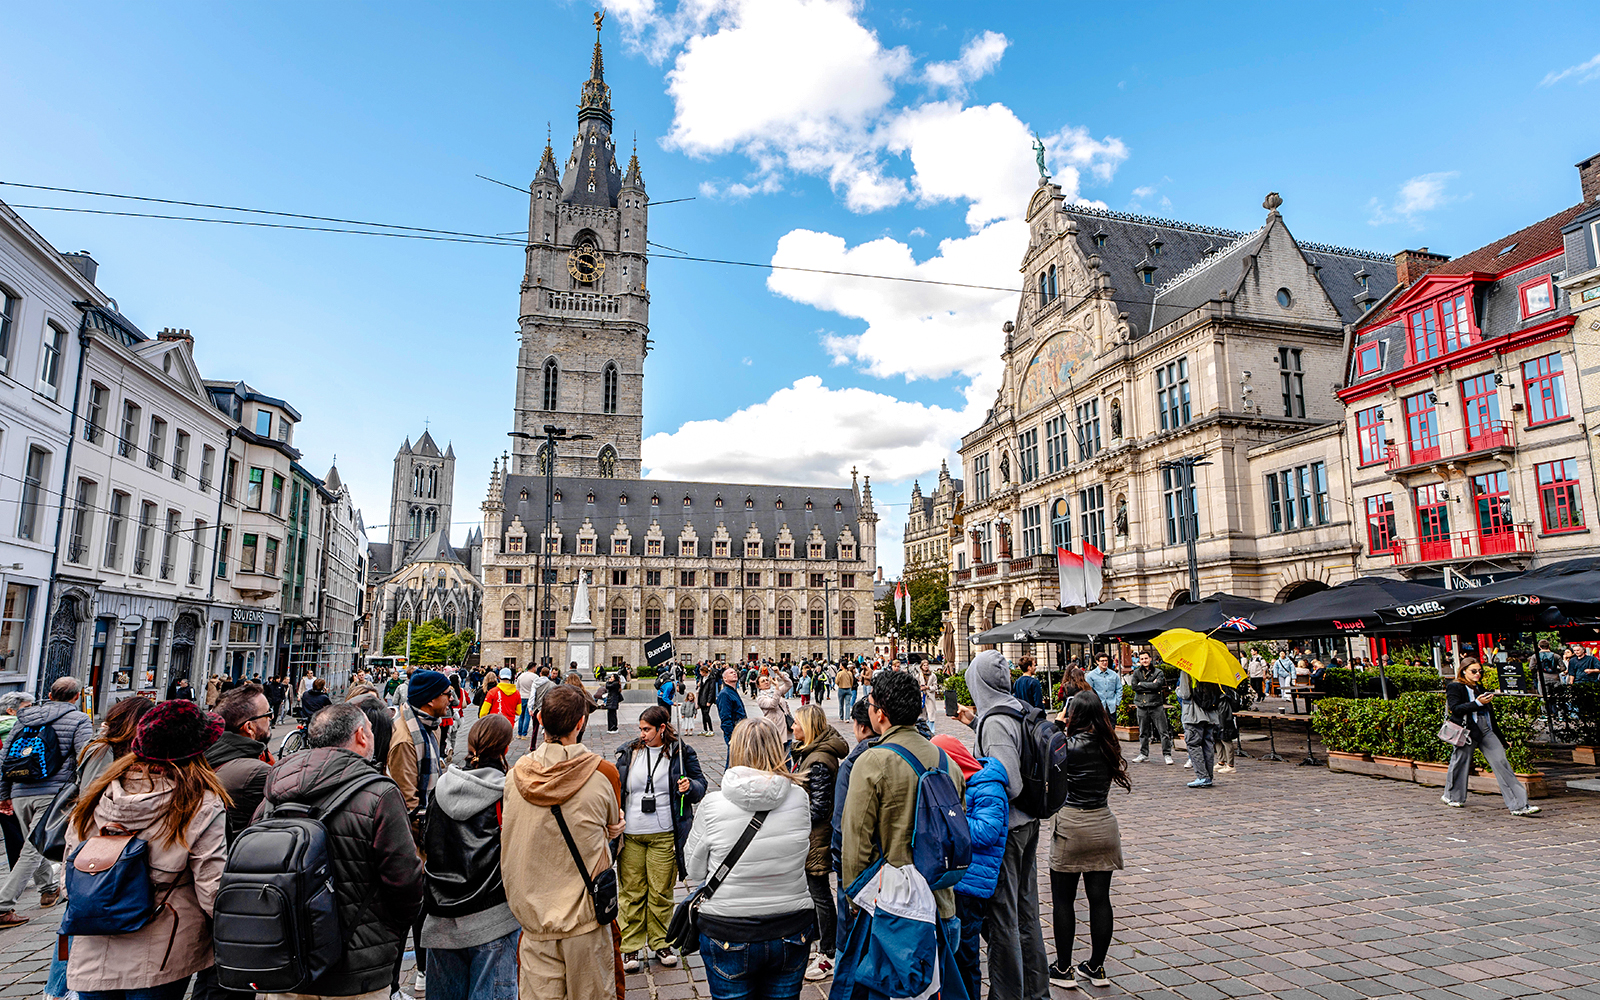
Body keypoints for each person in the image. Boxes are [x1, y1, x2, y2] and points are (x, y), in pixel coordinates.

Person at [60, 700, 227, 999]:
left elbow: (69, 872)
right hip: (162, 943)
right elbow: (212, 887)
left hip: (93, 940)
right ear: (197, 753)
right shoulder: (199, 803)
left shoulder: (98, 794)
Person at [260, 702, 426, 1000]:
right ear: (361, 736)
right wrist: (387, 930)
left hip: (288, 956)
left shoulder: (275, 789)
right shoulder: (380, 793)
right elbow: (405, 881)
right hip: (357, 968)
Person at [841, 669, 967, 996]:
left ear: (879, 714)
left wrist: (856, 900)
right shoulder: (946, 760)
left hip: (896, 915)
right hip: (943, 906)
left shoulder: (872, 761)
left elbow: (855, 846)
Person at [502, 685, 623, 1000]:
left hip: (535, 924)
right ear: (580, 723)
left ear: (539, 718)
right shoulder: (600, 775)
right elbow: (613, 830)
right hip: (584, 923)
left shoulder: (515, 777)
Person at [685, 719, 813, 1000]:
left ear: (735, 750)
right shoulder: (800, 798)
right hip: (790, 925)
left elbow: (694, 870)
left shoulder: (712, 805)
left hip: (728, 927)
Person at [963, 650, 1048, 1000]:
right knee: (1027, 913)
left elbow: (1009, 780)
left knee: (1004, 919)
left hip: (1008, 831)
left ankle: (1008, 994)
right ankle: (1036, 991)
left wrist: (973, 779)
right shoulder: (1015, 707)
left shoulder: (995, 720)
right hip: (1028, 822)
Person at [422, 714, 521, 1000]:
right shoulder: (505, 792)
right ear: (504, 748)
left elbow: (428, 843)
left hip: (441, 917)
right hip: (491, 918)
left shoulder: (441, 787)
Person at [1043, 690, 1130, 990]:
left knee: (1064, 901)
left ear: (1074, 715)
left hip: (1071, 824)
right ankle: (1096, 967)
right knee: (1100, 900)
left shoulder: (1066, 744)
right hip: (1104, 824)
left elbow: (1045, 752)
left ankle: (1063, 968)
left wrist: (1056, 725)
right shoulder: (1109, 744)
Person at [614, 705, 706, 972]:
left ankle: (661, 942)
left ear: (662, 728)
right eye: (640, 729)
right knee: (631, 893)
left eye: (647, 730)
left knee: (661, 892)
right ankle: (630, 948)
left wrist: (690, 788)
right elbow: (618, 788)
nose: (642, 734)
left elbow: (701, 786)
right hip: (631, 833)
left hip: (665, 833)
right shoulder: (629, 752)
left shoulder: (680, 752)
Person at [0, 676, 94, 928]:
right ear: (77, 697)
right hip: (54, 794)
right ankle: (3, 905)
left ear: (50, 695)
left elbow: (5, 759)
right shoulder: (79, 719)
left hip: (20, 790)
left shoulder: (24, 718)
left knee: (34, 842)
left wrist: (4, 795)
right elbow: (84, 755)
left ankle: (49, 889)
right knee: (32, 849)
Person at [929, 733, 1009, 1000]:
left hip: (972, 885)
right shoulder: (966, 782)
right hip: (959, 880)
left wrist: (952, 819)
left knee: (966, 956)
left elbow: (987, 831)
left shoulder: (987, 785)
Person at [391, 669, 452, 993]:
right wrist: (429, 840)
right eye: (445, 694)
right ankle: (415, 973)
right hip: (417, 838)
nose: (451, 698)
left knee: (427, 905)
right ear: (430, 699)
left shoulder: (427, 727)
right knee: (418, 906)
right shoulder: (405, 738)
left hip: (426, 831)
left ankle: (427, 966)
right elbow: (407, 800)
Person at [787, 704, 848, 981]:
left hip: (817, 837)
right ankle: (820, 941)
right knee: (815, 892)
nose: (792, 728)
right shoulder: (809, 752)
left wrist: (790, 816)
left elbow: (820, 807)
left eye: (796, 724)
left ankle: (828, 952)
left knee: (820, 893)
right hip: (811, 835)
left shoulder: (819, 759)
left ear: (809, 727)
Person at [1444, 661, 1540, 815]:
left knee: (1501, 762)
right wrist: (1477, 703)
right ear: (1463, 671)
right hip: (1467, 729)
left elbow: (1491, 718)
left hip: (1486, 729)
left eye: (1480, 671)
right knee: (1460, 762)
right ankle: (1452, 796)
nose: (1477, 674)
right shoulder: (1455, 687)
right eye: (1473, 671)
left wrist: (1502, 741)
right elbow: (1455, 709)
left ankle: (1519, 805)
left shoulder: (1480, 688)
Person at [206, 682, 275, 844]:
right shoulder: (257, 772)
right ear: (249, 727)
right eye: (267, 714)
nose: (271, 718)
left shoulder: (209, 752)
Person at [0, 692, 31, 868]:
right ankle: (18, 872)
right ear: (11, 711)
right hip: (11, 787)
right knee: (16, 834)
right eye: (26, 708)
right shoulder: (20, 728)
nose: (31, 711)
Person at [1177, 671, 1221, 788]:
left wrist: (1177, 690)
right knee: (1208, 744)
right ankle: (1208, 776)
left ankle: (1202, 776)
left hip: (1193, 714)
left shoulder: (1187, 669)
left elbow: (1185, 694)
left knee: (1193, 744)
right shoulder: (1211, 668)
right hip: (1210, 714)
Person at [1129, 652, 1173, 765]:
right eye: (1142, 659)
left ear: (1150, 659)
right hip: (1142, 705)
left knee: (1163, 731)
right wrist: (1149, 685)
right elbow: (1134, 686)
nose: (1144, 660)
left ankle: (1167, 754)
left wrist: (1141, 684)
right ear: (1139, 660)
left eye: (1146, 658)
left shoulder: (1158, 672)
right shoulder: (1137, 672)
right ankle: (1143, 754)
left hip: (1156, 705)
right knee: (1143, 732)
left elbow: (1158, 685)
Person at [717, 667, 747, 754]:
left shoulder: (733, 691)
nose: (734, 673)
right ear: (725, 678)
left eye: (735, 672)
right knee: (733, 760)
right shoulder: (724, 694)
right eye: (731, 673)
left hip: (741, 730)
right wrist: (731, 737)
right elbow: (725, 718)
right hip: (734, 732)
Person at [755, 671, 793, 738]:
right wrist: (777, 687)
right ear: (759, 686)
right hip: (775, 728)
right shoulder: (761, 698)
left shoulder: (775, 691)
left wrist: (779, 673)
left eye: (767, 680)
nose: (766, 682)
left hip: (787, 727)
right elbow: (773, 704)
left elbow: (789, 684)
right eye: (763, 681)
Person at [515, 667, 538, 738]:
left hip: (522, 696)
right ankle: (524, 733)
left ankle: (519, 733)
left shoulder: (521, 676)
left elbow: (517, 687)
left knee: (521, 716)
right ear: (533, 668)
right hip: (529, 697)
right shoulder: (534, 677)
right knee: (527, 716)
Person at [696, 666, 718, 737]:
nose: (700, 673)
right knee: (703, 714)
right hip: (702, 697)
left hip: (708, 698)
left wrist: (709, 701)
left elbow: (712, 690)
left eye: (701, 672)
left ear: (705, 672)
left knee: (706, 714)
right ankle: (705, 729)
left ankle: (711, 730)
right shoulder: (702, 678)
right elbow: (700, 688)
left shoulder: (711, 678)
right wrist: (699, 685)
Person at [603, 670, 624, 734]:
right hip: (611, 700)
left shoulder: (615, 683)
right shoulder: (615, 683)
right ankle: (611, 727)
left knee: (612, 715)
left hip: (613, 701)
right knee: (610, 714)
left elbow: (608, 686)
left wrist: (607, 682)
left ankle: (613, 727)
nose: (610, 678)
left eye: (612, 677)